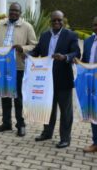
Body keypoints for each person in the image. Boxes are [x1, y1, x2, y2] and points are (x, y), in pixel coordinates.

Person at [30, 10, 80, 148]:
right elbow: (37, 50)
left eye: (59, 20)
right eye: (54, 20)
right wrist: (27, 54)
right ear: (50, 22)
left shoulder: (71, 35)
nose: (57, 22)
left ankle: (65, 138)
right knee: (48, 108)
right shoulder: (45, 35)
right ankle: (47, 133)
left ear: (63, 20)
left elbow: (76, 52)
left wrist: (65, 57)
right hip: (46, 80)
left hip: (63, 79)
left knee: (66, 111)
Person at [0, 3, 37, 137]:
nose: (13, 13)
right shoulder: (0, 25)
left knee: (18, 98)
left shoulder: (27, 27)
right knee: (5, 95)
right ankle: (6, 123)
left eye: (16, 11)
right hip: (2, 66)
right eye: (11, 10)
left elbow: (34, 45)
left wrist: (22, 48)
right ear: (8, 11)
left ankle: (21, 125)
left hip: (18, 67)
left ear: (20, 12)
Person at [81, 16, 97, 153]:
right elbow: (84, 60)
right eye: (95, 25)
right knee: (93, 112)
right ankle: (96, 142)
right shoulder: (88, 41)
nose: (96, 27)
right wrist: (77, 62)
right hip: (90, 83)